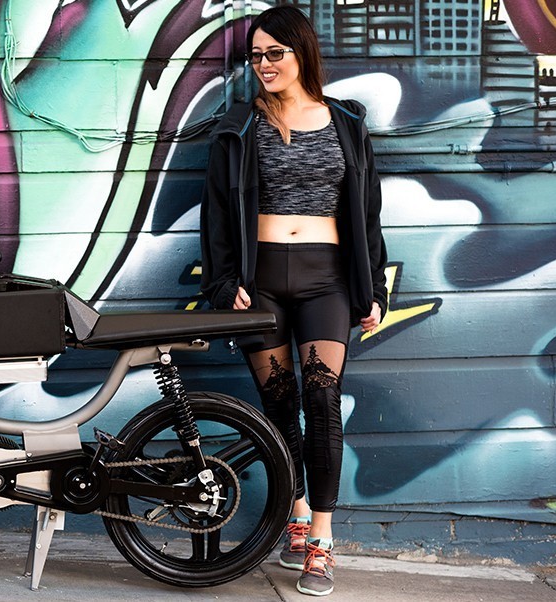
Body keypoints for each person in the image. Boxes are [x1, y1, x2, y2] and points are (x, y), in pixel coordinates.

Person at [199, 5, 388, 597]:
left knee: (322, 400)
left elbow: (368, 214)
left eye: (274, 53)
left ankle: (323, 540)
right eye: (255, 56)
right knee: (278, 406)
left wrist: (373, 288)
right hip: (260, 282)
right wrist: (223, 283)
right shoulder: (240, 127)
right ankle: (297, 514)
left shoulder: (346, 124)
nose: (263, 65)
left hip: (326, 279)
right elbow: (216, 216)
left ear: (301, 52)